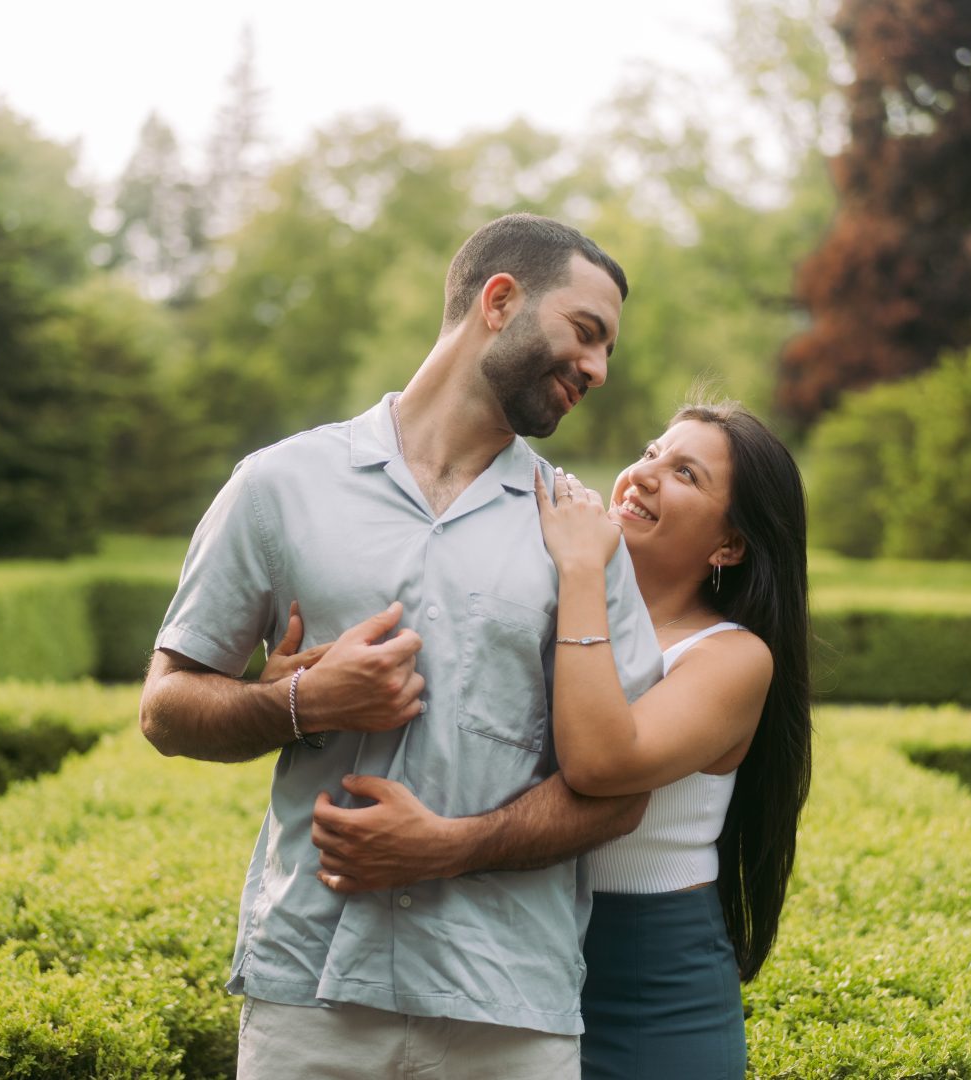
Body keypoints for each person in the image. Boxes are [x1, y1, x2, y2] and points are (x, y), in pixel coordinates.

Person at [138, 213, 665, 1080]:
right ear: (500, 300)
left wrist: (454, 846)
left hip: (508, 1011)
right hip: (310, 998)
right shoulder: (278, 485)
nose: (599, 369)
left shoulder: (581, 534)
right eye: (586, 332)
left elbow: (620, 792)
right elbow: (165, 708)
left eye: (607, 349)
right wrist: (300, 702)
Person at [311, 401, 811, 1080]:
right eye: (653, 451)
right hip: (505, 955)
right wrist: (303, 683)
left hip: (649, 985)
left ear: (730, 546)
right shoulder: (541, 605)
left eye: (686, 474)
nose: (644, 474)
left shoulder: (733, 658)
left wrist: (581, 571)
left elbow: (600, 763)